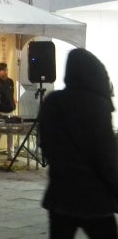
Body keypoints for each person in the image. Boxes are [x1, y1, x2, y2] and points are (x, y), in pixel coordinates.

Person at [40, 48, 118, 239]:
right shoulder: (97, 105)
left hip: (60, 194)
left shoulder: (52, 101)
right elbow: (106, 156)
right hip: (95, 198)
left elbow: (46, 145)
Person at [0, 62, 17, 160]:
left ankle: (11, 155)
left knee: (10, 133)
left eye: (6, 70)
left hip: (10, 110)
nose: (6, 72)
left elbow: (11, 95)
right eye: (3, 70)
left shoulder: (10, 81)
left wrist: (13, 105)